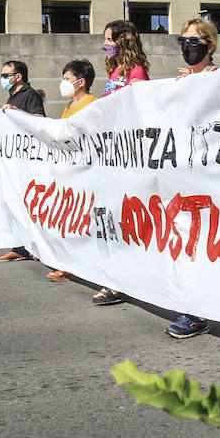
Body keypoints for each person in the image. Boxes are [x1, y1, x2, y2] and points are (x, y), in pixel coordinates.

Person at [165, 16, 219, 338]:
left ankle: (199, 311)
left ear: (210, 46)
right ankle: (193, 309)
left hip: (213, 179)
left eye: (194, 41)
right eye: (183, 41)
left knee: (205, 247)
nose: (187, 47)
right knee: (188, 245)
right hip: (187, 178)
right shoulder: (181, 82)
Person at [93, 20, 150, 305]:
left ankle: (122, 281)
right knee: (111, 220)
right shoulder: (115, 71)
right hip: (111, 156)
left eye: (109, 40)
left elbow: (138, 111)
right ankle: (116, 279)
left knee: (124, 220)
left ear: (123, 41)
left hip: (129, 159)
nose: (106, 45)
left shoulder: (136, 71)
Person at [44, 59, 98, 283]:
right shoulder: (69, 107)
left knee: (84, 223)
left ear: (81, 82)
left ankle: (79, 265)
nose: (63, 83)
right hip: (69, 174)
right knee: (69, 220)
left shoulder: (93, 104)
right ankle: (68, 264)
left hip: (86, 174)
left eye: (67, 79)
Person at [0, 60, 46, 263]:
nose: (3, 79)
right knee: (17, 202)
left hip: (30, 158)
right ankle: (22, 246)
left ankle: (34, 247)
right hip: (18, 157)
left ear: (18, 77)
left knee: (29, 204)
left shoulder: (29, 95)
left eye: (6, 75)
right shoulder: (14, 95)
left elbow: (39, 119)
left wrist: (17, 113)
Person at [100, 19, 150, 96]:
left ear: (124, 43)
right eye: (105, 39)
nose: (104, 45)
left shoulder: (137, 71)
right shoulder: (115, 69)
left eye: (110, 40)